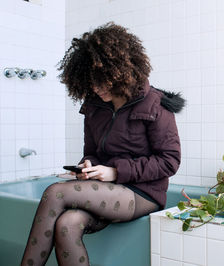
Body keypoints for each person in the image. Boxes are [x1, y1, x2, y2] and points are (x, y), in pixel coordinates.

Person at [20, 22, 183, 266]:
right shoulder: (94, 106)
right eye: (90, 82)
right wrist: (88, 167)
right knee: (67, 224)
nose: (96, 88)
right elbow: (92, 153)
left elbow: (170, 161)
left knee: (54, 192)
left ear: (119, 71)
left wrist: (116, 172)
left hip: (142, 194)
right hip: (105, 191)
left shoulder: (154, 104)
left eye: (102, 80)